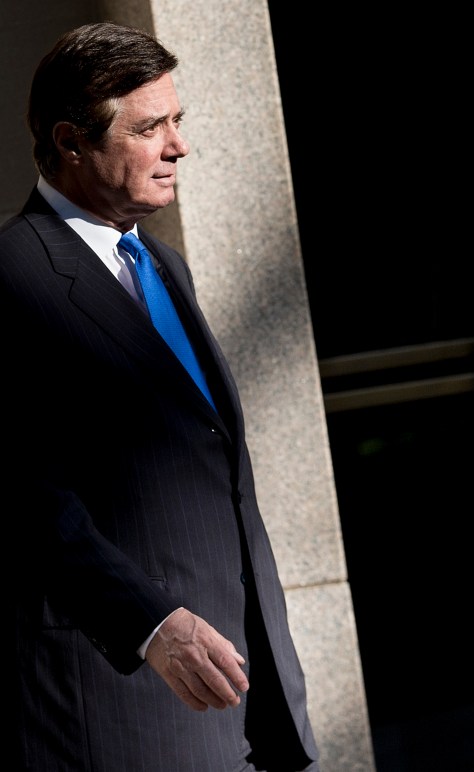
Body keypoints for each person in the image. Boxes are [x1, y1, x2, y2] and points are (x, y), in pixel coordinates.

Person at [4, 22, 320, 771]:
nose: (178, 147)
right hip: (121, 707)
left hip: (243, 691)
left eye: (178, 122)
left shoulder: (163, 265)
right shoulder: (13, 277)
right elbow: (22, 496)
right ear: (71, 141)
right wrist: (150, 626)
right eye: (150, 128)